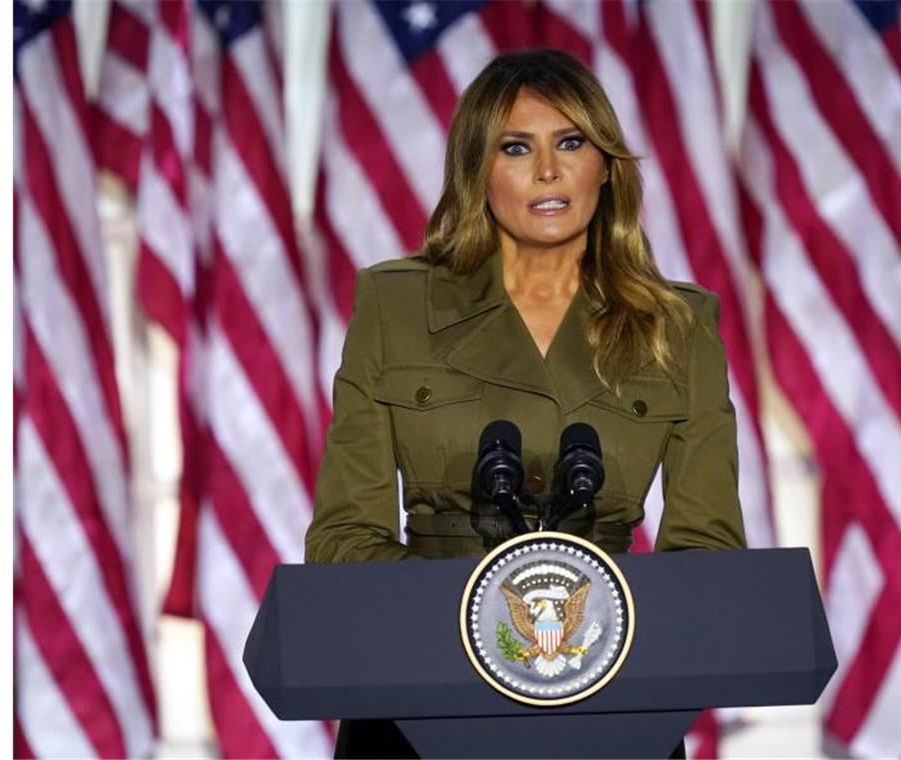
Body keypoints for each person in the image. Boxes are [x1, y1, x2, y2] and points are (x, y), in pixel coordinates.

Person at [305, 48, 746, 758]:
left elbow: (707, 553)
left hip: (612, 698)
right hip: (419, 701)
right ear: (477, 171)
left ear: (605, 165)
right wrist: (476, 619)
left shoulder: (679, 325)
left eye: (570, 142)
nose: (548, 171)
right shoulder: (396, 305)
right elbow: (340, 543)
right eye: (516, 147)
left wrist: (589, 621)